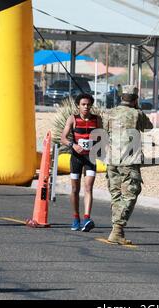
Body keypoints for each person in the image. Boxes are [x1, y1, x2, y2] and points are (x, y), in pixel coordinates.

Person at [104, 85, 153, 245]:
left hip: (112, 160)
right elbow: (149, 126)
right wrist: (137, 109)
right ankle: (117, 228)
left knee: (116, 193)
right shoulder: (136, 114)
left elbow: (104, 130)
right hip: (129, 161)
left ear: (121, 97)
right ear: (135, 99)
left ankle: (116, 230)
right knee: (131, 192)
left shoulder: (110, 113)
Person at [61, 93, 102, 232]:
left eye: (88, 104)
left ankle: (86, 218)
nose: (86, 107)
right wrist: (73, 145)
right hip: (76, 158)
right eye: (83, 104)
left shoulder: (97, 119)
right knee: (74, 189)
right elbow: (63, 138)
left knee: (88, 187)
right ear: (78, 105)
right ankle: (76, 218)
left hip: (90, 158)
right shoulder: (73, 119)